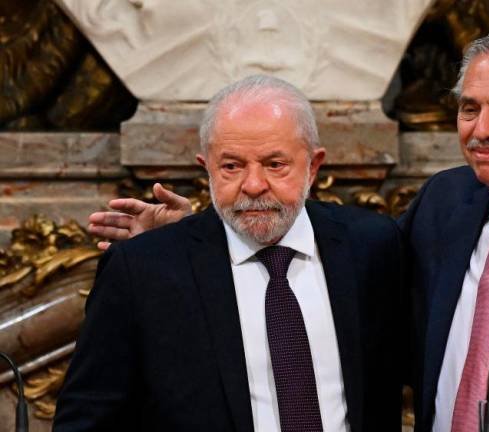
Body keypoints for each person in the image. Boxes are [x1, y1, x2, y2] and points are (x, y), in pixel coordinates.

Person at [86, 27, 489, 432]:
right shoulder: (445, 205)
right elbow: (299, 250)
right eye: (469, 108)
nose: (481, 128)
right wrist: (194, 242)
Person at [54, 75, 403, 432]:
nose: (253, 185)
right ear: (206, 167)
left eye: (275, 165)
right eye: (231, 166)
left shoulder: (372, 246)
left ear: (313, 166)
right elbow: (85, 419)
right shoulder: (143, 271)